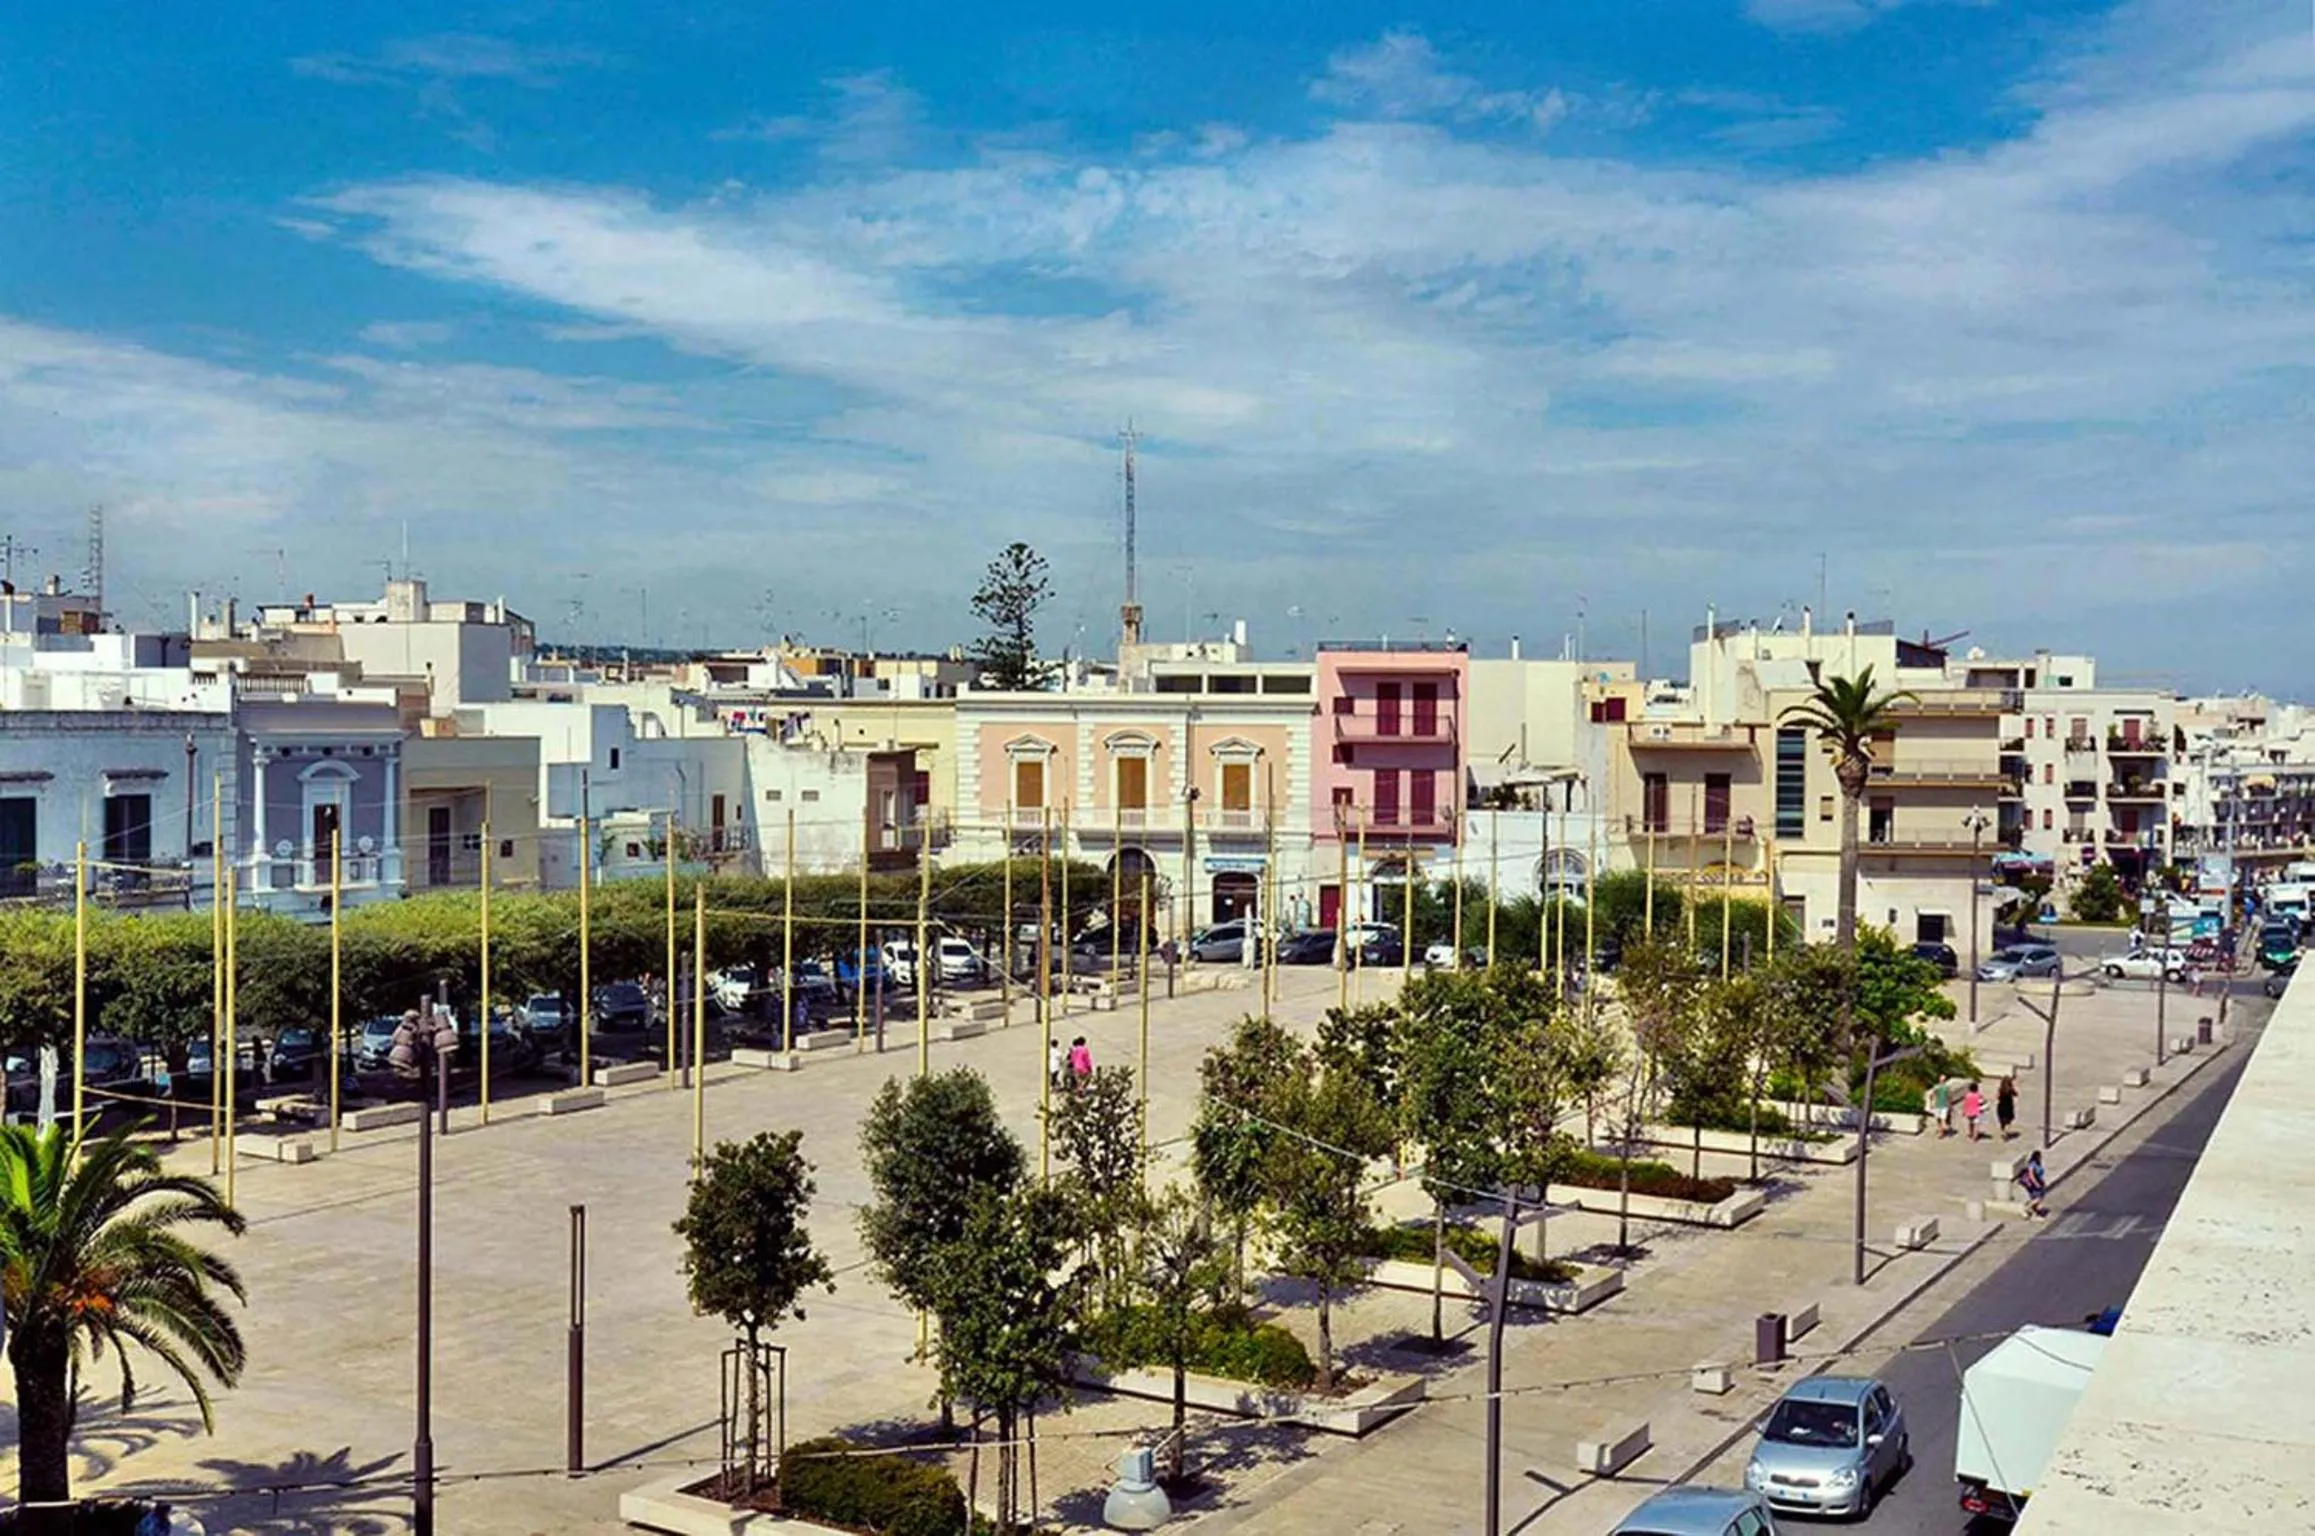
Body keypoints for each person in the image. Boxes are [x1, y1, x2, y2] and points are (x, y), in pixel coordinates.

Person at [2015, 1149, 2049, 1218]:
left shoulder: (2038, 1163)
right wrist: (2036, 1183)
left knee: (2037, 1199)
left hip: (2039, 1182)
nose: (2041, 1158)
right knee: (2038, 1198)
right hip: (2033, 1184)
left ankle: (2035, 1213)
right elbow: (2031, 1175)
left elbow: (2039, 1174)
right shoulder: (2032, 1165)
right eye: (2040, 1156)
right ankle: (2026, 1208)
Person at [1996, 1075, 2018, 1141]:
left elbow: (1997, 1097)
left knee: (2002, 1121)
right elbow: (2016, 1094)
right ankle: (2006, 1133)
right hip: (2008, 1107)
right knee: (2008, 1121)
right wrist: (2012, 1087)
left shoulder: (2000, 1089)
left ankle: (2003, 1132)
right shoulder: (2010, 1090)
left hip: (2001, 1106)